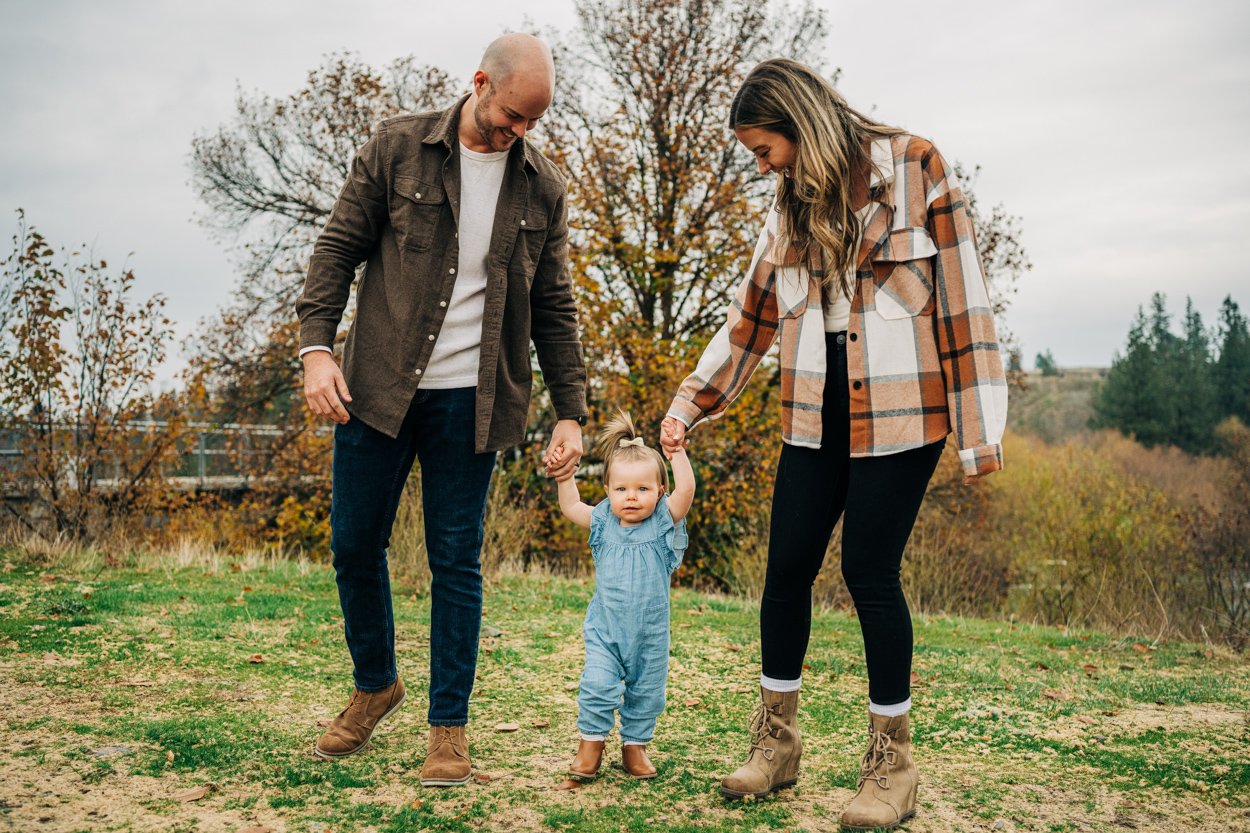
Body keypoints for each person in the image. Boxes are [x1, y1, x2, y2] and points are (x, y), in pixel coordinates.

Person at [660, 58, 1007, 831]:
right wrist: (691, 401)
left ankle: (893, 766)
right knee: (784, 568)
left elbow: (964, 305)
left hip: (903, 415)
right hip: (815, 411)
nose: (761, 166)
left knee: (867, 572)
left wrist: (980, 435)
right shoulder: (788, 206)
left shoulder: (917, 167)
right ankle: (777, 744)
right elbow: (749, 319)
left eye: (763, 149)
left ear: (799, 123)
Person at [295, 32, 588, 787]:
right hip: (378, 386)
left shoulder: (543, 188)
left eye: (533, 123)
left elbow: (555, 305)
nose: (519, 133)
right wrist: (316, 349)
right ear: (481, 81)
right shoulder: (397, 147)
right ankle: (374, 684)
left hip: (475, 401)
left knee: (456, 563)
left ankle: (448, 732)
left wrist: (570, 411)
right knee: (355, 545)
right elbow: (336, 250)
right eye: (511, 117)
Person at [547, 411, 694, 790]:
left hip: (650, 634)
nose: (631, 496)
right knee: (597, 684)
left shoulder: (663, 523)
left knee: (647, 693)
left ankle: (635, 747)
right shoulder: (603, 522)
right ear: (608, 491)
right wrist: (565, 477)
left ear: (660, 492)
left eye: (643, 489)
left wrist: (676, 453)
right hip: (606, 630)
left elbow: (687, 493)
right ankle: (590, 745)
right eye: (621, 489)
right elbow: (570, 506)